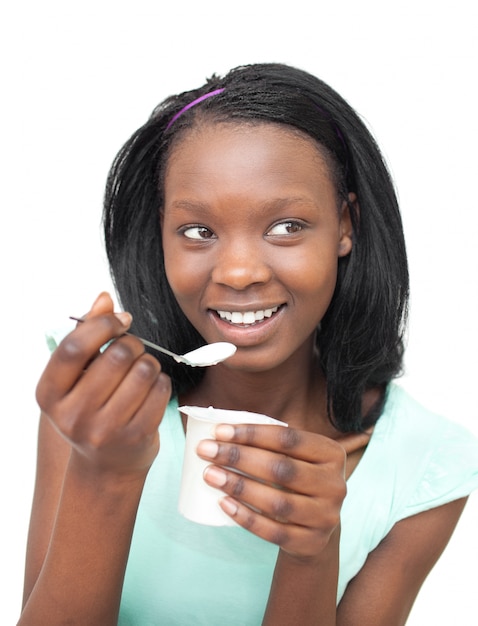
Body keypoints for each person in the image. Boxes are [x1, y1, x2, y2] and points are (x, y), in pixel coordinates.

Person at [19, 63, 478, 626]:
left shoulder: (424, 464)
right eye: (198, 232)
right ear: (160, 234)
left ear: (344, 225)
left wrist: (311, 552)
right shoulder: (99, 401)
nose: (238, 272)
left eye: (286, 226)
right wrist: (104, 472)